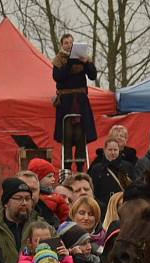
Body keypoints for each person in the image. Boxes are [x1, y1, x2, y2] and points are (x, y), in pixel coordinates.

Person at [52, 33, 98, 171]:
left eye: (71, 42)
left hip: (80, 102)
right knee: (67, 136)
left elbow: (93, 75)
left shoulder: (82, 58)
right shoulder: (59, 60)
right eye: (66, 43)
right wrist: (70, 61)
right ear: (62, 45)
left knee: (80, 136)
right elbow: (58, 77)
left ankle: (80, 168)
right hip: (66, 103)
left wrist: (86, 63)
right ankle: (66, 169)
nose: (69, 45)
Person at [89, 138, 135, 219]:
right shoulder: (96, 169)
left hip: (123, 208)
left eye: (115, 150)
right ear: (105, 150)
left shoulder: (127, 167)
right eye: (110, 150)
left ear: (119, 151)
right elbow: (92, 191)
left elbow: (133, 188)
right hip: (103, 211)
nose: (113, 153)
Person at [23, 160, 68, 225]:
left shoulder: (55, 197)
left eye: (53, 176)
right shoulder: (50, 198)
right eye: (49, 176)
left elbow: (65, 216)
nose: (53, 179)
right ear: (38, 178)